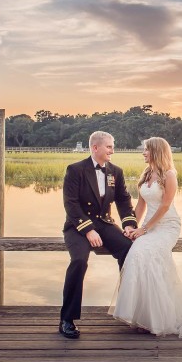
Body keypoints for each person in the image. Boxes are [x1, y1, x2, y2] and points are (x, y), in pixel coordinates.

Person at [110, 137, 182, 337]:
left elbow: (165, 205)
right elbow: (141, 205)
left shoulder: (169, 174)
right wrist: (132, 226)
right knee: (136, 254)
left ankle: (160, 317)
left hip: (167, 226)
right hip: (147, 226)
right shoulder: (145, 174)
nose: (143, 153)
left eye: (146, 150)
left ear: (157, 152)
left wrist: (144, 229)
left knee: (147, 253)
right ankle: (142, 315)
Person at [59, 131, 138, 339]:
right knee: (78, 261)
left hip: (104, 223)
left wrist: (129, 225)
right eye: (109, 147)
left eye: (112, 146)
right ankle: (67, 319)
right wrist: (87, 229)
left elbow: (123, 200)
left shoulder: (115, 171)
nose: (113, 150)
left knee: (130, 250)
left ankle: (128, 309)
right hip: (78, 225)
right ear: (96, 148)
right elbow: (71, 204)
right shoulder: (75, 170)